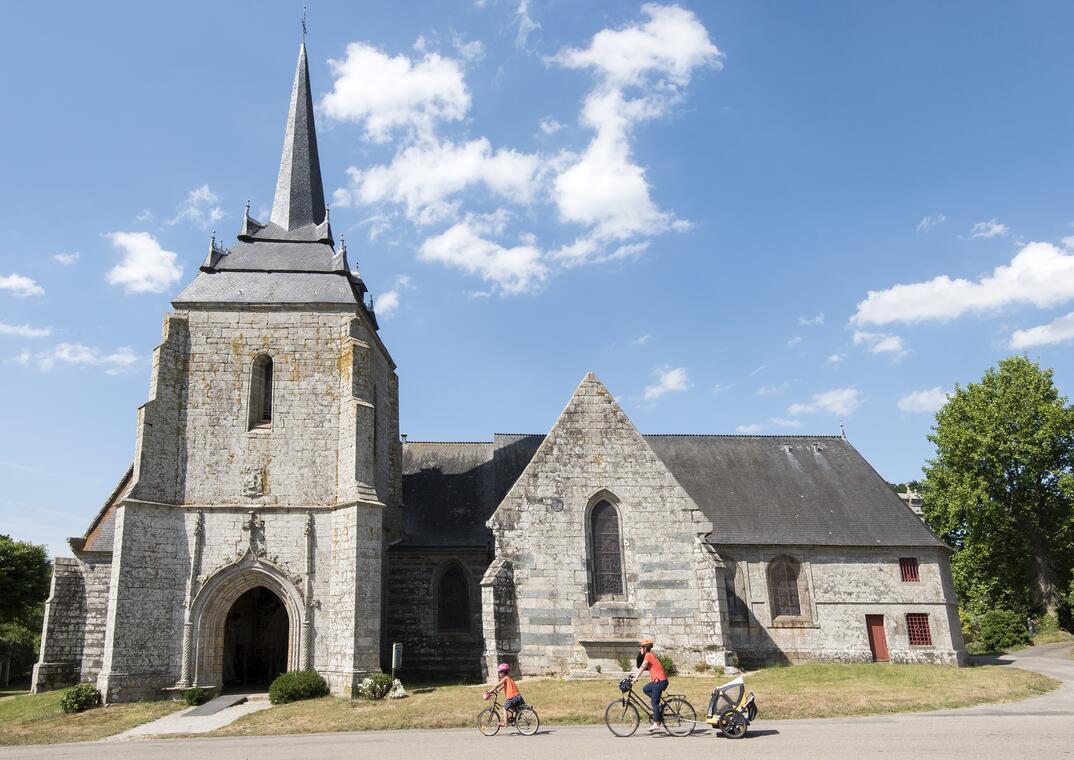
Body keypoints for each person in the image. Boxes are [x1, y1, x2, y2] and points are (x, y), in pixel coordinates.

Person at [631, 639, 668, 733]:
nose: (640, 650)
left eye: (640, 648)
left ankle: (656, 723)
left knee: (654, 703)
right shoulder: (649, 655)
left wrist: (636, 678)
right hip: (659, 681)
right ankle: (658, 704)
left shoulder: (648, 655)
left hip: (659, 681)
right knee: (646, 689)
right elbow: (643, 668)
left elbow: (643, 667)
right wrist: (633, 675)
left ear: (644, 648)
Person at [489, 662, 524, 727]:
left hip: (512, 697)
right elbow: (504, 685)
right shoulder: (509, 678)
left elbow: (498, 684)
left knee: (504, 708)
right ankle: (515, 719)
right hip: (518, 696)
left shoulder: (505, 678)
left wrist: (491, 691)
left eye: (500, 672)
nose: (499, 674)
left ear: (503, 672)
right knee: (513, 709)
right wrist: (498, 690)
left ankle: (505, 723)